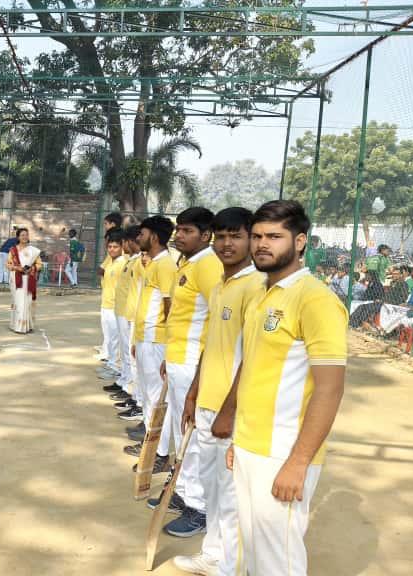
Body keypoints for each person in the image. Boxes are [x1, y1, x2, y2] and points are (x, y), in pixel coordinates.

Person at [228, 200, 347, 576]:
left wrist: (298, 462)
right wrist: (237, 440)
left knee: (278, 558)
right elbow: (255, 373)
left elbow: (330, 389)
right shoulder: (261, 293)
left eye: (274, 236)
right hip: (249, 446)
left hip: (283, 451)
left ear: (299, 242)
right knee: (253, 549)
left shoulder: (316, 299)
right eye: (257, 236)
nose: (262, 244)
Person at [173, 207, 264, 575]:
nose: (227, 244)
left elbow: (254, 357)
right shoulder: (221, 286)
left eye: (236, 236)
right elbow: (210, 345)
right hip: (207, 403)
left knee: (230, 494)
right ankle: (213, 555)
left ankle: (231, 565)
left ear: (250, 240)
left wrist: (229, 410)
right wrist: (193, 392)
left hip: (232, 410)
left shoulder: (256, 287)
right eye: (221, 236)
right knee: (212, 489)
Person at [157, 207, 224, 538]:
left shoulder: (209, 265)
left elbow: (218, 316)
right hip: (177, 358)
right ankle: (183, 492)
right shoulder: (189, 263)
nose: (179, 235)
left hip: (193, 362)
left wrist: (200, 367)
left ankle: (199, 508)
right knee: (179, 429)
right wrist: (167, 357)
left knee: (193, 437)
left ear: (205, 235)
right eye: (178, 230)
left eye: (187, 231)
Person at [124, 215, 176, 476]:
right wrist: (137, 339)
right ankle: (150, 444)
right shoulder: (152, 263)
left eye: (142, 234)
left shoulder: (165, 265)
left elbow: (170, 306)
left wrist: (166, 343)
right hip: (145, 337)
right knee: (147, 394)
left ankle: (160, 454)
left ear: (154, 237)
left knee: (157, 398)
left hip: (157, 340)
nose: (138, 238)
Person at [108, 226, 144, 426]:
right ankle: (128, 386)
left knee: (134, 358)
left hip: (132, 315)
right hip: (124, 311)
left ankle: (135, 397)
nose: (124, 246)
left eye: (124, 242)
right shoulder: (131, 261)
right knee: (127, 353)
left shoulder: (140, 262)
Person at [98, 231, 127, 377]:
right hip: (106, 304)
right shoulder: (111, 261)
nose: (112, 250)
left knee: (116, 339)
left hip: (116, 306)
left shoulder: (123, 263)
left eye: (115, 247)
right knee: (109, 338)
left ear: (122, 247)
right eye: (110, 247)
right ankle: (111, 363)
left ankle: (116, 367)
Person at [7, 228, 43, 334]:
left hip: (28, 279)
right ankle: (17, 325)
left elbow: (39, 264)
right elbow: (8, 264)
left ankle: (27, 326)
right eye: (22, 235)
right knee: (18, 302)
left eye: (26, 235)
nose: (25, 237)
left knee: (27, 302)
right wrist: (17, 268)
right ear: (18, 237)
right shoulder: (13, 250)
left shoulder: (33, 251)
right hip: (16, 278)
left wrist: (31, 268)